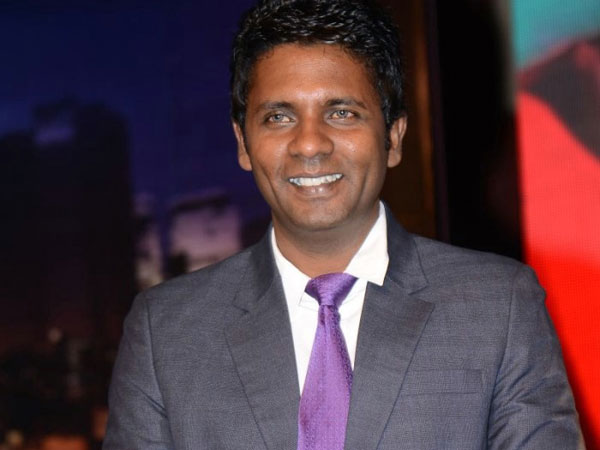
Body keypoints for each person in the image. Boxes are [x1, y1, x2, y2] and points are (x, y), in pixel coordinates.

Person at [103, 0, 583, 449]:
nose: (310, 144)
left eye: (341, 113)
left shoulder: (498, 307)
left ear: (394, 136)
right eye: (278, 117)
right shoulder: (166, 331)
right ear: (243, 143)